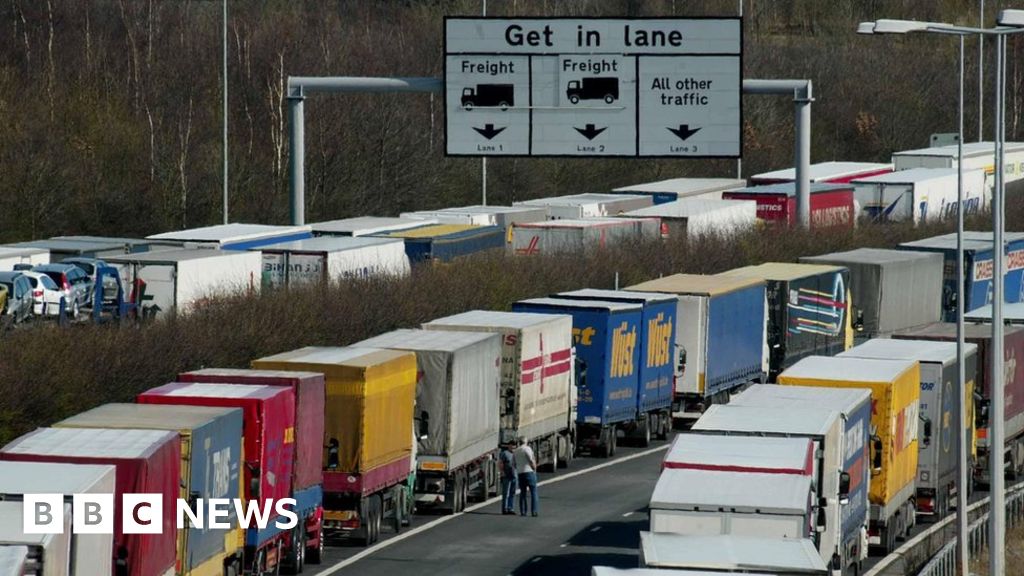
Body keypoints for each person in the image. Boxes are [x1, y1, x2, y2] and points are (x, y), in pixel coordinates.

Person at [514, 436, 538, 517]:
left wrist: (518, 468)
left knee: (523, 493)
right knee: (533, 492)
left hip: (520, 473)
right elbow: (530, 459)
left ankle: (523, 511)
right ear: (525, 442)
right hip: (529, 472)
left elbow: (513, 464)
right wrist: (534, 468)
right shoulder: (527, 449)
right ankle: (534, 511)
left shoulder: (516, 451)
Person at [499, 441, 518, 515]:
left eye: (514, 447)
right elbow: (500, 463)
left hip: (515, 476)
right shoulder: (505, 453)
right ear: (508, 446)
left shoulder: (516, 454)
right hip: (507, 476)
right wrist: (502, 472)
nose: (513, 448)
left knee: (512, 493)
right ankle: (505, 508)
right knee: (506, 493)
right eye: (511, 447)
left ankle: (511, 508)